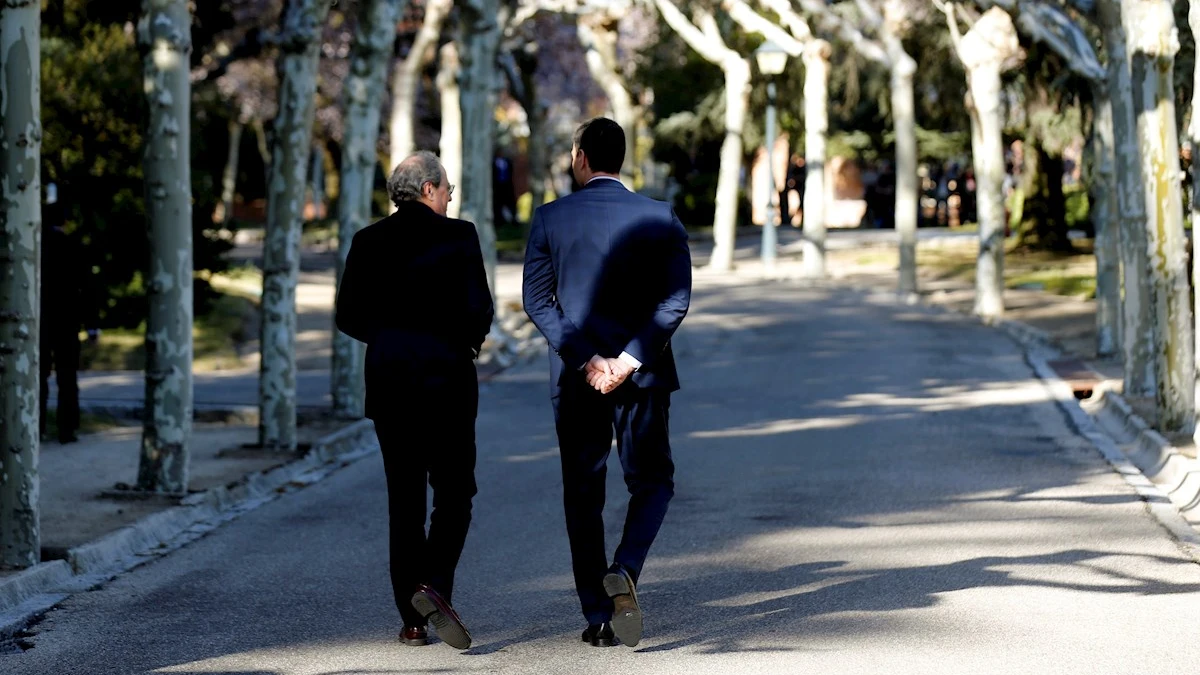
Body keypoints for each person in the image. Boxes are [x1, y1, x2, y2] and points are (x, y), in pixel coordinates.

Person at [522, 117, 692, 648]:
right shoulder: (660, 216)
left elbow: (536, 301)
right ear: (621, 158)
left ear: (580, 158)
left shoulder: (550, 217)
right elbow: (676, 300)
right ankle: (626, 566)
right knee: (653, 481)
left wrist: (587, 359)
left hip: (576, 381)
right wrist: (627, 359)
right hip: (640, 377)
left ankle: (598, 617)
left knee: (582, 495)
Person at [335, 150, 493, 650]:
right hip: (446, 380)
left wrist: (386, 341)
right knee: (455, 493)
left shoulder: (366, 240)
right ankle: (434, 588)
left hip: (389, 382)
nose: (450, 198)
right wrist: (464, 343)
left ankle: (412, 620)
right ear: (428, 189)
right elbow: (479, 309)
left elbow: (346, 314)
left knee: (403, 502)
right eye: (447, 189)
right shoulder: (459, 235)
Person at [40, 193, 96, 444]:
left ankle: (37, 424)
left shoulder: (35, 247)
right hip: (67, 320)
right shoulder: (74, 246)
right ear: (65, 221)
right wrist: (92, 325)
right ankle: (67, 428)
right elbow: (87, 288)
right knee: (67, 377)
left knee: (38, 376)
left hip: (40, 320)